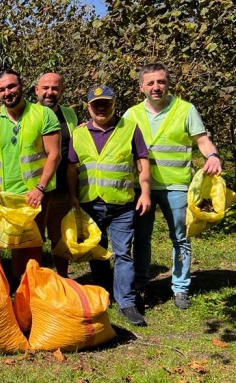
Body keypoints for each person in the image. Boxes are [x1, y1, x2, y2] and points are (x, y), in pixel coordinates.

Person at [125, 63, 222, 310]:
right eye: (151, 83)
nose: (156, 87)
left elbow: (202, 140)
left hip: (175, 185)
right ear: (141, 87)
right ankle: (141, 283)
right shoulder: (131, 114)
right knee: (142, 237)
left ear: (168, 84)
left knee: (180, 237)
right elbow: (112, 135)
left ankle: (180, 288)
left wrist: (212, 156)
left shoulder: (185, 110)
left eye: (161, 82)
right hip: (141, 187)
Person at [68, 85, 152, 326]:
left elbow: (142, 163)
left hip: (121, 204)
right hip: (89, 203)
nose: (101, 108)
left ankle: (127, 302)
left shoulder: (130, 129)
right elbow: (72, 168)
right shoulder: (79, 133)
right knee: (97, 251)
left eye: (106, 103)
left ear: (115, 103)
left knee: (123, 253)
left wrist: (145, 193)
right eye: (96, 104)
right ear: (88, 107)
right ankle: (104, 293)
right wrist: (73, 196)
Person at [0, 69, 61, 282]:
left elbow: (54, 154)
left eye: (11, 86)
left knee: (30, 249)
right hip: (1, 196)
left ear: (22, 86)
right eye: (2, 89)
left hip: (32, 196)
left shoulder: (43, 115)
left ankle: (28, 294)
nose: (8, 92)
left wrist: (40, 188)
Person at [34, 73, 79, 277]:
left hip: (61, 188)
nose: (49, 92)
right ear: (37, 90)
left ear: (62, 90)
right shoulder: (28, 113)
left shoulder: (69, 115)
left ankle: (62, 279)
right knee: (34, 240)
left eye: (54, 88)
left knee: (60, 238)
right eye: (45, 88)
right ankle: (34, 281)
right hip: (35, 190)